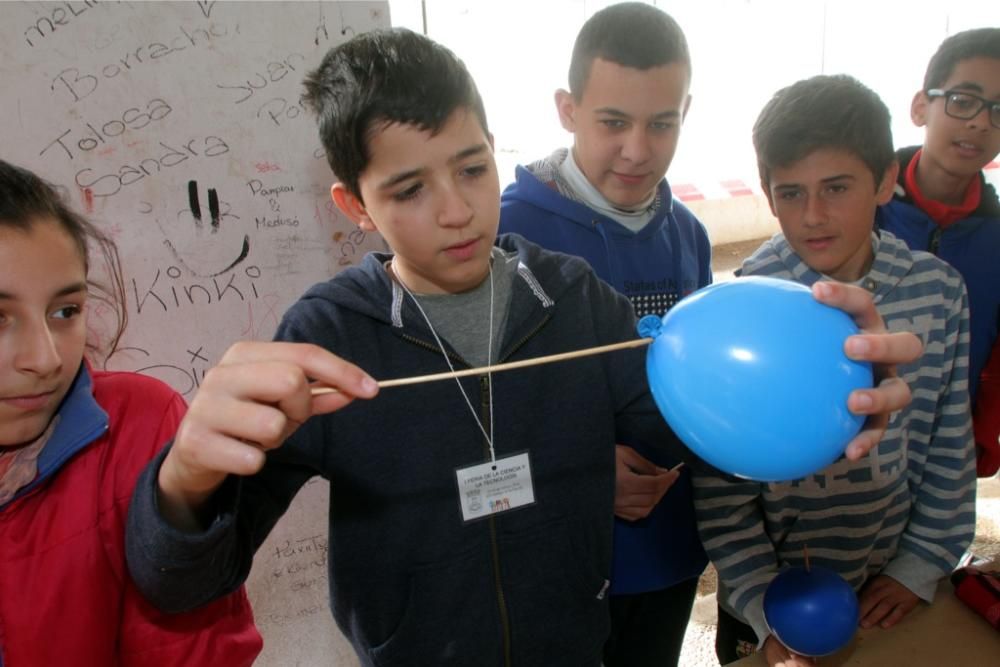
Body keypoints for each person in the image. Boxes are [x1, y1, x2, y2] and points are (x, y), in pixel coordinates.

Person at [125, 29, 921, 666]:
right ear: (354, 204)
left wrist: (836, 394)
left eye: (472, 168)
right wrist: (185, 476)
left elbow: (687, 431)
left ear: (494, 150)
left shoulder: (574, 300)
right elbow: (182, 580)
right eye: (409, 189)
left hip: (575, 644)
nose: (456, 211)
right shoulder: (329, 337)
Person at [695, 75, 978, 667]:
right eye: (791, 192)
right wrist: (760, 603)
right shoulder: (746, 304)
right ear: (768, 195)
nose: (814, 215)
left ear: (885, 180)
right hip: (768, 606)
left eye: (837, 187)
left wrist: (919, 565)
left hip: (891, 592)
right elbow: (721, 489)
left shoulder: (939, 291)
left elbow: (950, 445)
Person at [498, 4, 708, 664]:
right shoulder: (505, 235)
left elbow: (701, 385)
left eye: (662, 123)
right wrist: (580, 472)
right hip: (555, 557)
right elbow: (475, 410)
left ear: (686, 112)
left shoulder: (691, 236)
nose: (638, 150)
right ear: (568, 109)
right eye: (613, 122)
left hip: (671, 550)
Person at [0, 160, 262, 666]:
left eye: (65, 312)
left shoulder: (137, 424)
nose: (45, 358)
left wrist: (184, 503)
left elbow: (193, 648)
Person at [876, 27, 1000, 477]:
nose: (980, 123)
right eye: (963, 101)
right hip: (851, 443)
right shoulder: (861, 211)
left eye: (998, 110)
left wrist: (981, 439)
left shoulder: (996, 239)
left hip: (945, 457)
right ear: (920, 107)